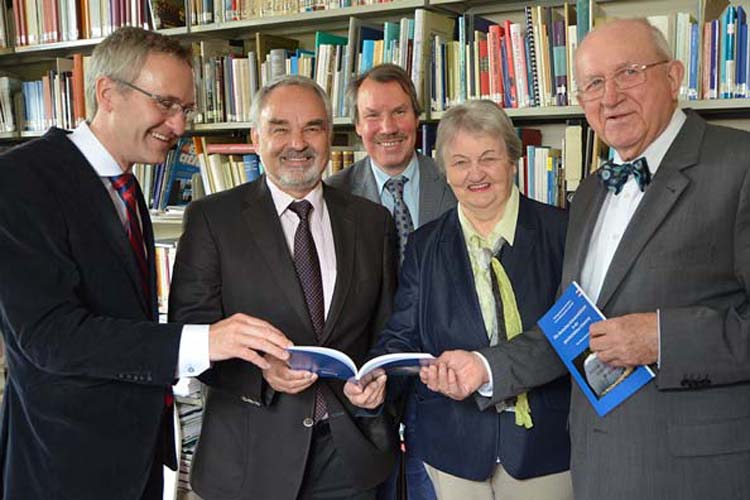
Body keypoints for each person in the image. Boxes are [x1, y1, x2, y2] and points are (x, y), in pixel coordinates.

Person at [427, 18, 750, 500]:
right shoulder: (591, 191)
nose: (610, 96)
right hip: (596, 465)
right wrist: (485, 367)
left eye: (629, 72)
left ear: (674, 75)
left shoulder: (739, 165)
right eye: (594, 83)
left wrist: (661, 338)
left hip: (698, 471)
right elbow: (571, 327)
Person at [0, 27, 292, 500]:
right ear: (107, 93)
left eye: (186, 109)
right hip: (64, 466)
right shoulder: (20, 180)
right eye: (165, 104)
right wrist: (205, 340)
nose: (179, 126)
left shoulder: (128, 188)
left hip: (137, 461)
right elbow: (49, 337)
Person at [169, 75, 399, 500]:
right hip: (250, 462)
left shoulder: (372, 222)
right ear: (256, 138)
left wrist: (377, 382)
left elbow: (385, 332)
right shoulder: (211, 220)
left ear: (330, 136)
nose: (298, 142)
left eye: (312, 127)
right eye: (280, 128)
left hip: (349, 460)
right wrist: (262, 374)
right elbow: (188, 338)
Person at [360, 100, 572, 499]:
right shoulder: (425, 245)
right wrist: (376, 377)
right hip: (452, 445)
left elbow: (572, 336)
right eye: (460, 162)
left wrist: (485, 367)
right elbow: (403, 334)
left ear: (513, 160)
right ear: (445, 172)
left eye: (488, 158)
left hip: (546, 446)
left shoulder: (562, 233)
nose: (475, 173)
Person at [326, 63, 456, 500]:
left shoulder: (459, 180)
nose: (387, 127)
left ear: (417, 118)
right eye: (373, 116)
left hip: (444, 379)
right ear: (357, 125)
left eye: (399, 112)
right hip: (365, 386)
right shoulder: (331, 197)